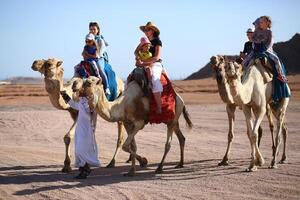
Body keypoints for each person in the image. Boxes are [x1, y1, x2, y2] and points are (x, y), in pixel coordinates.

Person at [243, 16, 290, 101]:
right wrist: (255, 45)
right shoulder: (256, 31)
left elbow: (270, 43)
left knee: (276, 60)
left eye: (260, 23)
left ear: (267, 23)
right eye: (257, 23)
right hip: (256, 50)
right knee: (245, 61)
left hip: (266, 50)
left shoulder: (269, 32)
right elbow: (253, 41)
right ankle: (242, 75)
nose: (258, 25)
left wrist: (264, 48)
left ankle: (280, 75)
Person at [60, 90, 100, 179]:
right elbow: (72, 104)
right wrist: (64, 95)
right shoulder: (81, 103)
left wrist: (93, 127)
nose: (78, 95)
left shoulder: (88, 105)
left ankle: (85, 170)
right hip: (80, 130)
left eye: (80, 93)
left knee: (81, 150)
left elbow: (93, 113)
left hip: (87, 131)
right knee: (79, 151)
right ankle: (84, 170)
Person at [135, 22, 164, 114]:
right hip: (143, 63)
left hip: (155, 64)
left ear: (153, 31)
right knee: (129, 80)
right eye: (145, 30)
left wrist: (143, 63)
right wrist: (138, 58)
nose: (146, 31)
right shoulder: (144, 41)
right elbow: (136, 52)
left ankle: (159, 108)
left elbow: (157, 57)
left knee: (155, 81)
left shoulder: (157, 42)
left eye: (148, 29)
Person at [88, 22, 111, 95]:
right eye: (91, 29)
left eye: (94, 29)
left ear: (98, 30)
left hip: (99, 57)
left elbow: (99, 53)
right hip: (90, 58)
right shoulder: (88, 39)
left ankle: (107, 88)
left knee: (100, 69)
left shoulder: (100, 40)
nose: (92, 31)